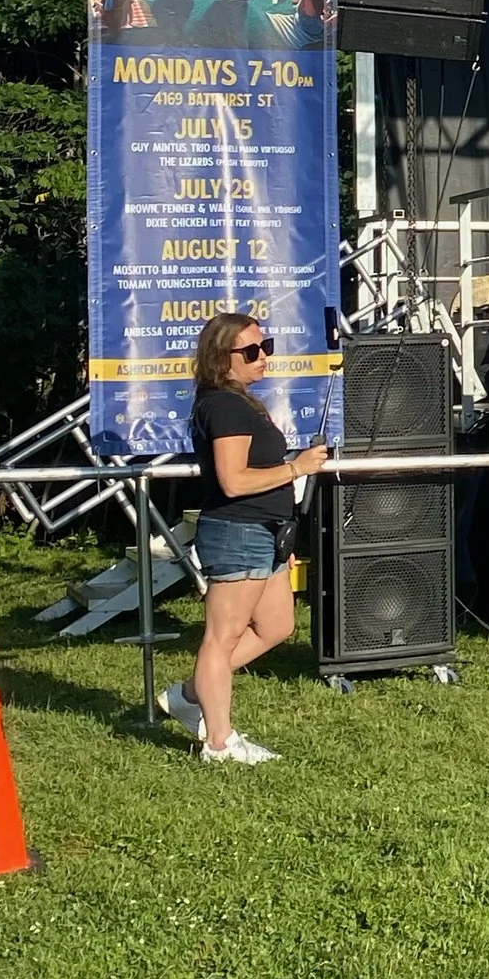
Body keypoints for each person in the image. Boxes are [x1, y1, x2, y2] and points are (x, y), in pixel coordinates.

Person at [163, 312, 329, 763]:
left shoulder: (241, 402)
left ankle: (190, 693)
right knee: (222, 637)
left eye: (266, 346)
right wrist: (297, 467)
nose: (263, 358)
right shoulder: (225, 406)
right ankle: (218, 742)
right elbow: (233, 481)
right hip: (238, 530)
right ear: (222, 359)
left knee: (278, 626)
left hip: (267, 532)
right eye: (251, 351)